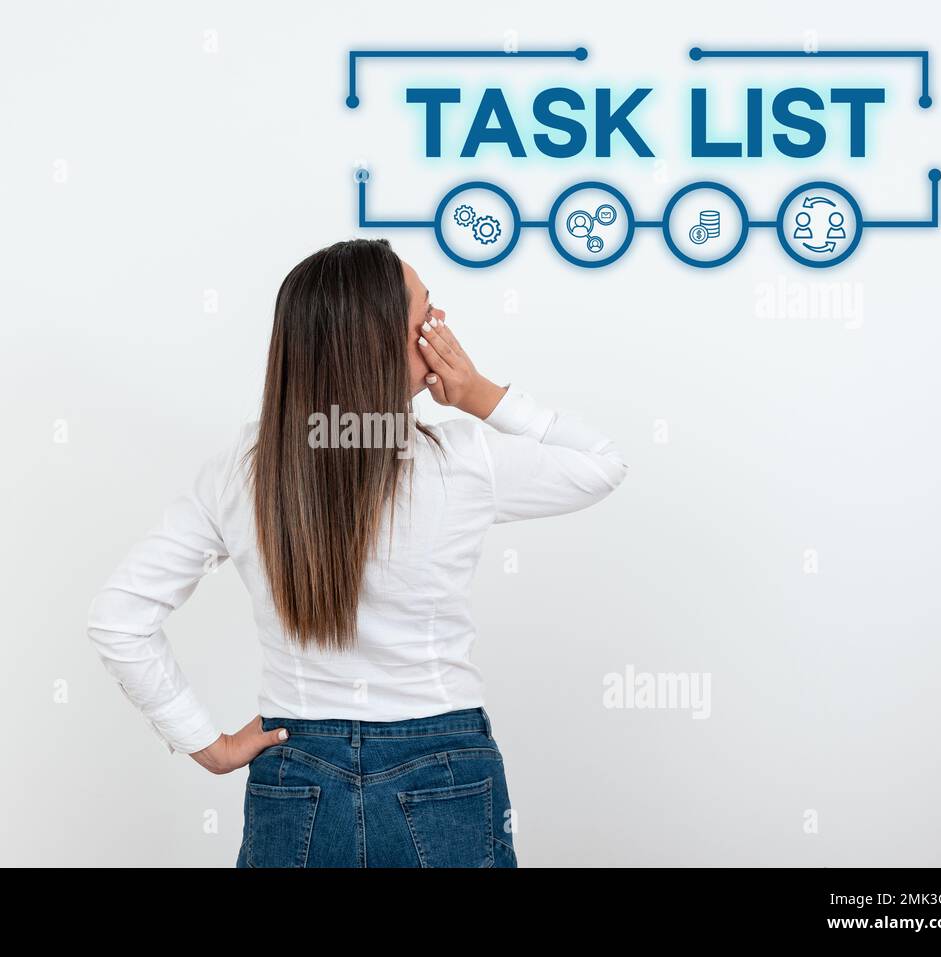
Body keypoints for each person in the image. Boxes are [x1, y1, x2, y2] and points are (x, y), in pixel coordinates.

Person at [86, 238, 629, 867]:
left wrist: (203, 742)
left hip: (295, 774)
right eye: (426, 313)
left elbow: (118, 617)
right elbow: (603, 464)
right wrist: (479, 393)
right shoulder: (462, 460)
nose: (441, 325)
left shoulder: (241, 471)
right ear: (377, 342)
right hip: (443, 771)